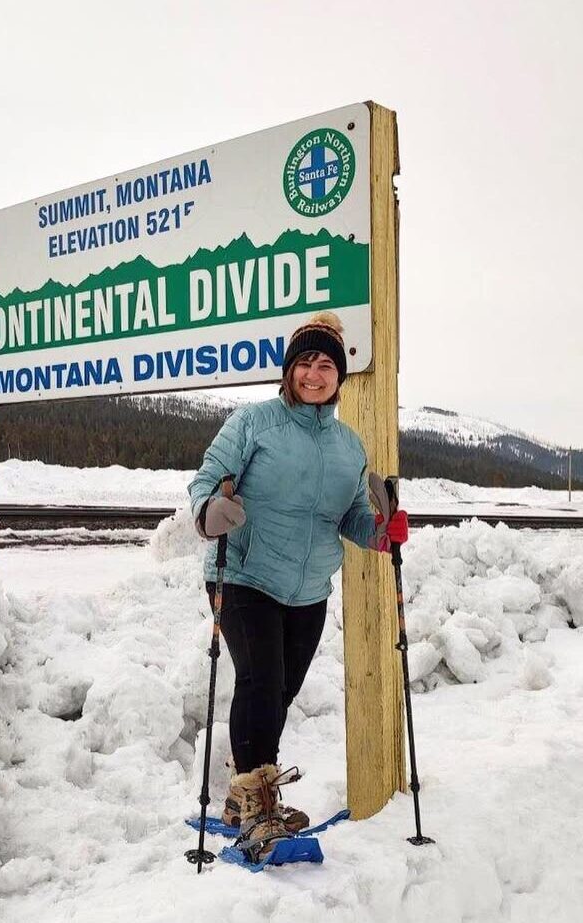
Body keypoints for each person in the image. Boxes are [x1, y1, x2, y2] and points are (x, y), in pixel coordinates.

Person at [187, 310, 409, 861]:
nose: (315, 373)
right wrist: (209, 510)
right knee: (261, 682)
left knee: (278, 694)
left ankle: (249, 796)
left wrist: (382, 531)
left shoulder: (348, 447)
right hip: (244, 575)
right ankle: (257, 808)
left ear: (340, 375)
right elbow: (207, 479)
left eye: (327, 364)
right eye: (305, 362)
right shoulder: (253, 423)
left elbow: (352, 516)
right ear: (289, 371)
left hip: (308, 591)